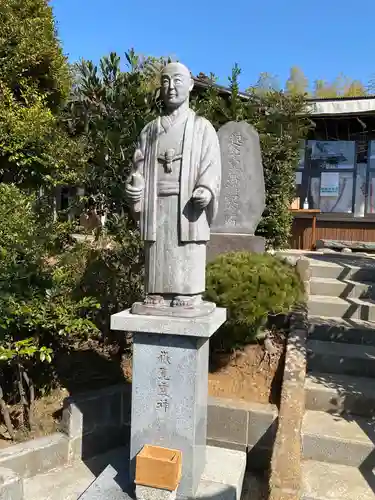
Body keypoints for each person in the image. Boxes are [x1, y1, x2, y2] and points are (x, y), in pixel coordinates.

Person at [125, 62, 221, 310]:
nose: (171, 87)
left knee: (186, 246)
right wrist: (135, 187)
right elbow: (138, 166)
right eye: (166, 81)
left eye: (177, 80)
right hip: (156, 201)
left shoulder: (202, 127)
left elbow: (211, 165)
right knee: (158, 246)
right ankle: (155, 292)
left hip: (187, 203)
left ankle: (188, 293)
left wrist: (206, 189)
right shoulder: (150, 131)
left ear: (190, 85)